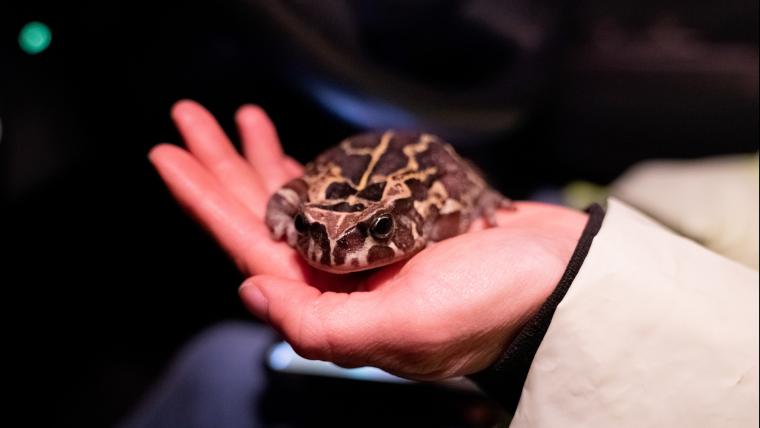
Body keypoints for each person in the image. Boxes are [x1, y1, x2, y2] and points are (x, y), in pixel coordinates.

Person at [138, 99, 758, 427]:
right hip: (352, 172)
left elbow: (453, 175)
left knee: (216, 362)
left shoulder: (432, 205)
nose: (335, 253)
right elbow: (300, 192)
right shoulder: (319, 200)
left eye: (375, 233)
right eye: (313, 234)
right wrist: (290, 214)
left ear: (403, 222)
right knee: (216, 358)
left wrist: (524, 248)